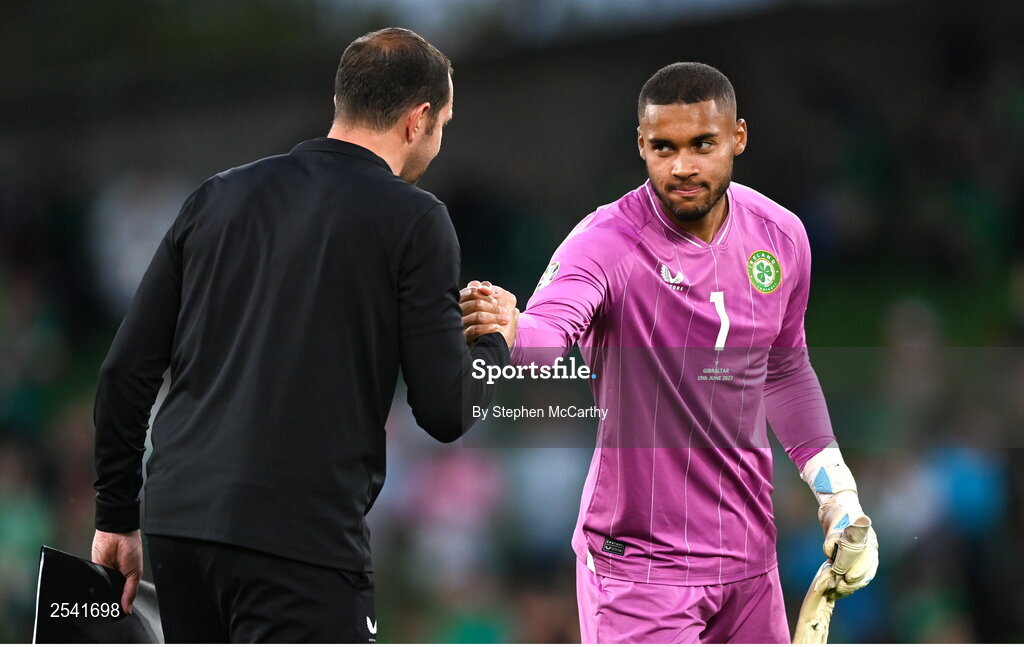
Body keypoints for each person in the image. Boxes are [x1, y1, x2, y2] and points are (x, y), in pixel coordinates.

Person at [91, 27, 515, 643]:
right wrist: (495, 342)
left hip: (181, 528)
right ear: (418, 119)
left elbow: (125, 371)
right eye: (444, 122)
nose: (440, 139)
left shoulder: (217, 196)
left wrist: (114, 518)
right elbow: (446, 410)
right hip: (301, 541)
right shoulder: (416, 218)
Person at [461, 62, 877, 643]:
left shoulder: (782, 236)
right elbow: (546, 337)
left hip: (749, 564)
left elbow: (783, 370)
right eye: (663, 147)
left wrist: (837, 495)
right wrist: (511, 326)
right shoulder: (604, 242)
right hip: (639, 571)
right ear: (641, 145)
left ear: (738, 138)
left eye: (702, 145)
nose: (682, 167)